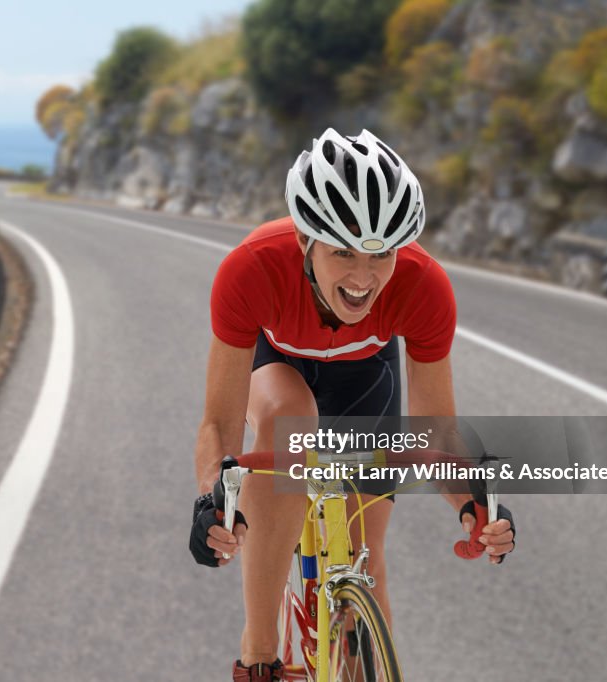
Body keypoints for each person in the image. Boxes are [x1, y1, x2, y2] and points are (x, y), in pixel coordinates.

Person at [189, 128, 516, 681]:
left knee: (368, 565)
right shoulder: (251, 268)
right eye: (341, 252)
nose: (363, 279)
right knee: (291, 423)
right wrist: (212, 502)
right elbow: (220, 422)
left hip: (366, 376)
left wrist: (475, 506)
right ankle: (261, 648)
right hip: (280, 367)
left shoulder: (423, 286)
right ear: (303, 241)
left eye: (381, 254)